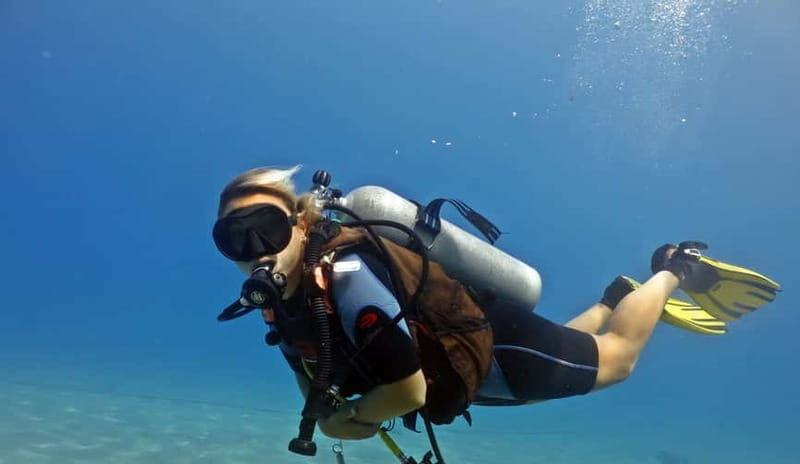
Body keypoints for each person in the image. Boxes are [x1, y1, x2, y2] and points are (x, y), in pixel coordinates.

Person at [213, 166, 780, 441]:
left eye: (265, 228)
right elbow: (311, 372)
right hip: (476, 365)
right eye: (234, 240)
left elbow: (407, 391)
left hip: (498, 347)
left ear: (301, 223)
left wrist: (349, 422)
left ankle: (671, 267)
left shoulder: (347, 273)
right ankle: (614, 297)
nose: (253, 251)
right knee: (548, 371)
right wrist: (327, 413)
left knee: (619, 358)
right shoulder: (281, 303)